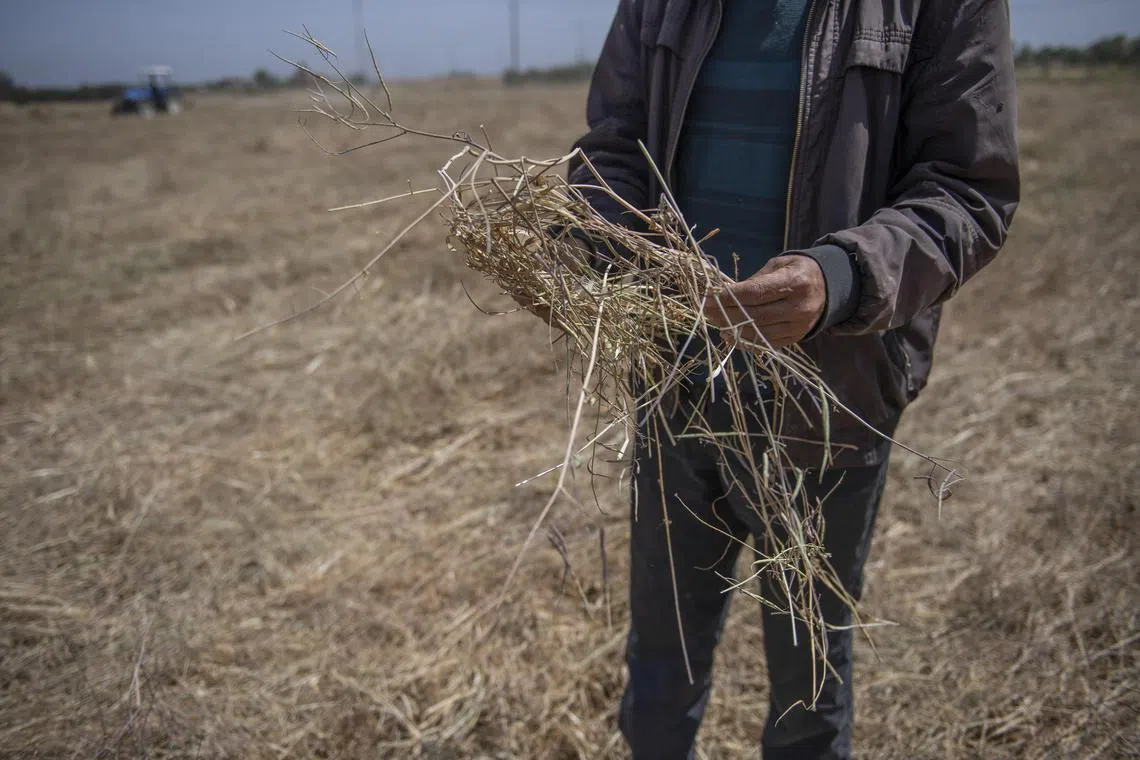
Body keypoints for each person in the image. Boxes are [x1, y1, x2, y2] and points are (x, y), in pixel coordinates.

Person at [553, 1, 1019, 758]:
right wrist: (603, 242)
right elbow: (612, 146)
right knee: (662, 657)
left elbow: (968, 190)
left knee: (808, 684)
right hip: (676, 379)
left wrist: (838, 277)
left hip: (830, 397)